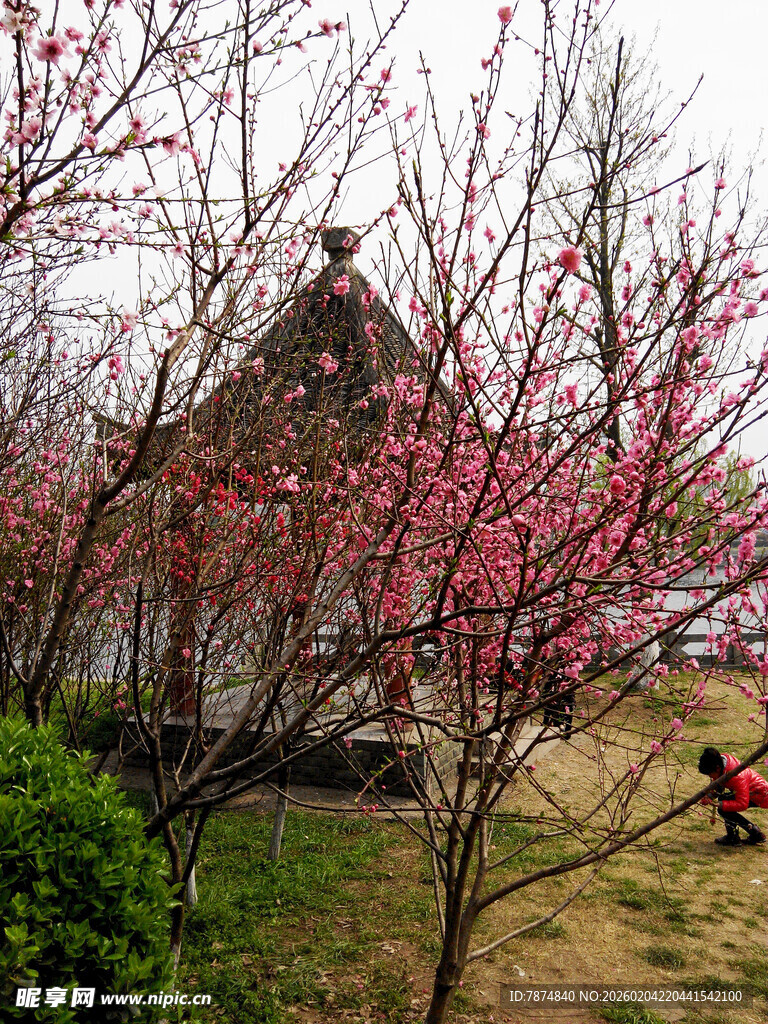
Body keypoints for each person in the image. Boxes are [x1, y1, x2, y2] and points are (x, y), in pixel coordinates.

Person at [697, 746, 768, 846]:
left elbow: (742, 804)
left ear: (717, 768)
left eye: (710, 773)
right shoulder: (724, 766)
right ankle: (738, 836)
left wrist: (719, 804)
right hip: (753, 792)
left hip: (760, 795)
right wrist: (710, 796)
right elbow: (720, 785)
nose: (710, 776)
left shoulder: (737, 777)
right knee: (724, 804)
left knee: (724, 809)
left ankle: (752, 833)